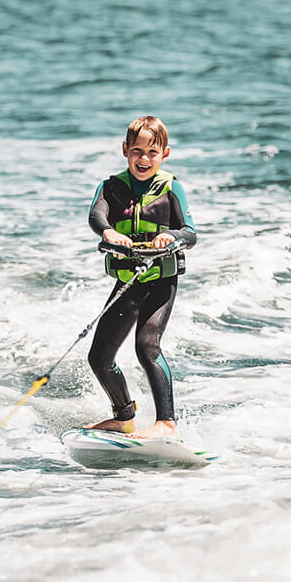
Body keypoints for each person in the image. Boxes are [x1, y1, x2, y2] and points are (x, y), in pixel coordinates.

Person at [86, 116, 197, 439]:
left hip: (160, 281)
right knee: (99, 357)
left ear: (165, 153)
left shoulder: (172, 187)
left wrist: (171, 237)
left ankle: (166, 424)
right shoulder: (110, 188)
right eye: (136, 151)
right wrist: (109, 232)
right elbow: (97, 216)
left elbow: (190, 233)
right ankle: (123, 418)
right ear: (125, 150)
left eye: (152, 152)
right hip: (128, 282)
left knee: (146, 347)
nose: (144, 159)